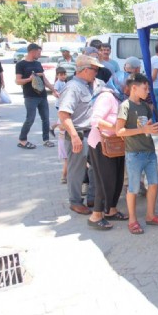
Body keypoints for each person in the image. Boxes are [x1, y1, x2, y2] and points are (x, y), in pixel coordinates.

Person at [116, 73, 158, 235]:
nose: (148, 92)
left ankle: (150, 215)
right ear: (134, 88)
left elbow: (147, 126)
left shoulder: (145, 106)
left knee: (153, 184)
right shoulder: (125, 106)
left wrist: (152, 129)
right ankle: (132, 220)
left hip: (149, 151)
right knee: (133, 187)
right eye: (145, 88)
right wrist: (143, 130)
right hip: (134, 154)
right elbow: (119, 131)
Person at [86, 69, 130, 230]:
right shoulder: (107, 96)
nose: (128, 89)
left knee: (117, 178)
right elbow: (95, 120)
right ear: (119, 82)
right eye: (126, 86)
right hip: (101, 144)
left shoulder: (119, 97)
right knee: (105, 180)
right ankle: (96, 215)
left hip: (115, 145)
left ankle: (111, 210)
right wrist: (115, 127)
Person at [58, 55, 101, 215]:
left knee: (96, 167)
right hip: (79, 134)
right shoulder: (73, 87)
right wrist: (75, 136)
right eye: (94, 69)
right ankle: (75, 201)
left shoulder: (89, 85)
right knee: (77, 170)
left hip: (91, 133)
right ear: (84, 70)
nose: (96, 73)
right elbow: (64, 114)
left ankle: (92, 197)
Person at [16, 43, 58, 149]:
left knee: (45, 118)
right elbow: (18, 81)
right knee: (30, 118)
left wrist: (54, 90)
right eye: (39, 52)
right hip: (30, 96)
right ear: (32, 51)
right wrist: (29, 79)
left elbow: (44, 80)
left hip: (42, 95)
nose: (40, 54)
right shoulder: (21, 64)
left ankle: (46, 139)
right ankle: (22, 140)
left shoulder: (38, 64)